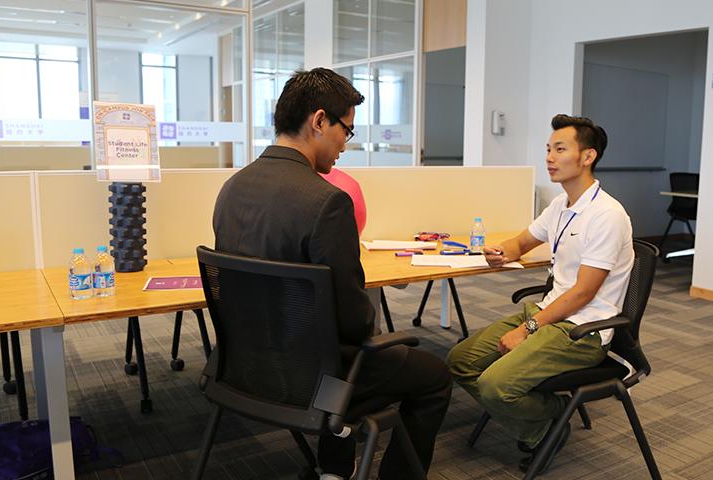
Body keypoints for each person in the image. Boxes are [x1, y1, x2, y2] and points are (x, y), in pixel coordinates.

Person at [213, 67, 452, 480]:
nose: (345, 144)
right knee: (434, 375)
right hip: (310, 380)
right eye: (347, 130)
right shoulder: (327, 201)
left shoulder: (232, 187)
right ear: (319, 121)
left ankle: (334, 466)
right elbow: (355, 321)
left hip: (242, 368)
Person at [446, 114, 634, 474]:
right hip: (551, 312)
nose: (549, 157)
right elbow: (522, 242)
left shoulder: (607, 215)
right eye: (548, 149)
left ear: (587, 156)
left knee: (494, 385)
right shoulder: (560, 206)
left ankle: (549, 421)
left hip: (582, 329)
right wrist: (503, 251)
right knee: (461, 361)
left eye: (560, 149)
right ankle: (539, 418)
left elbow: (583, 294)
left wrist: (528, 328)